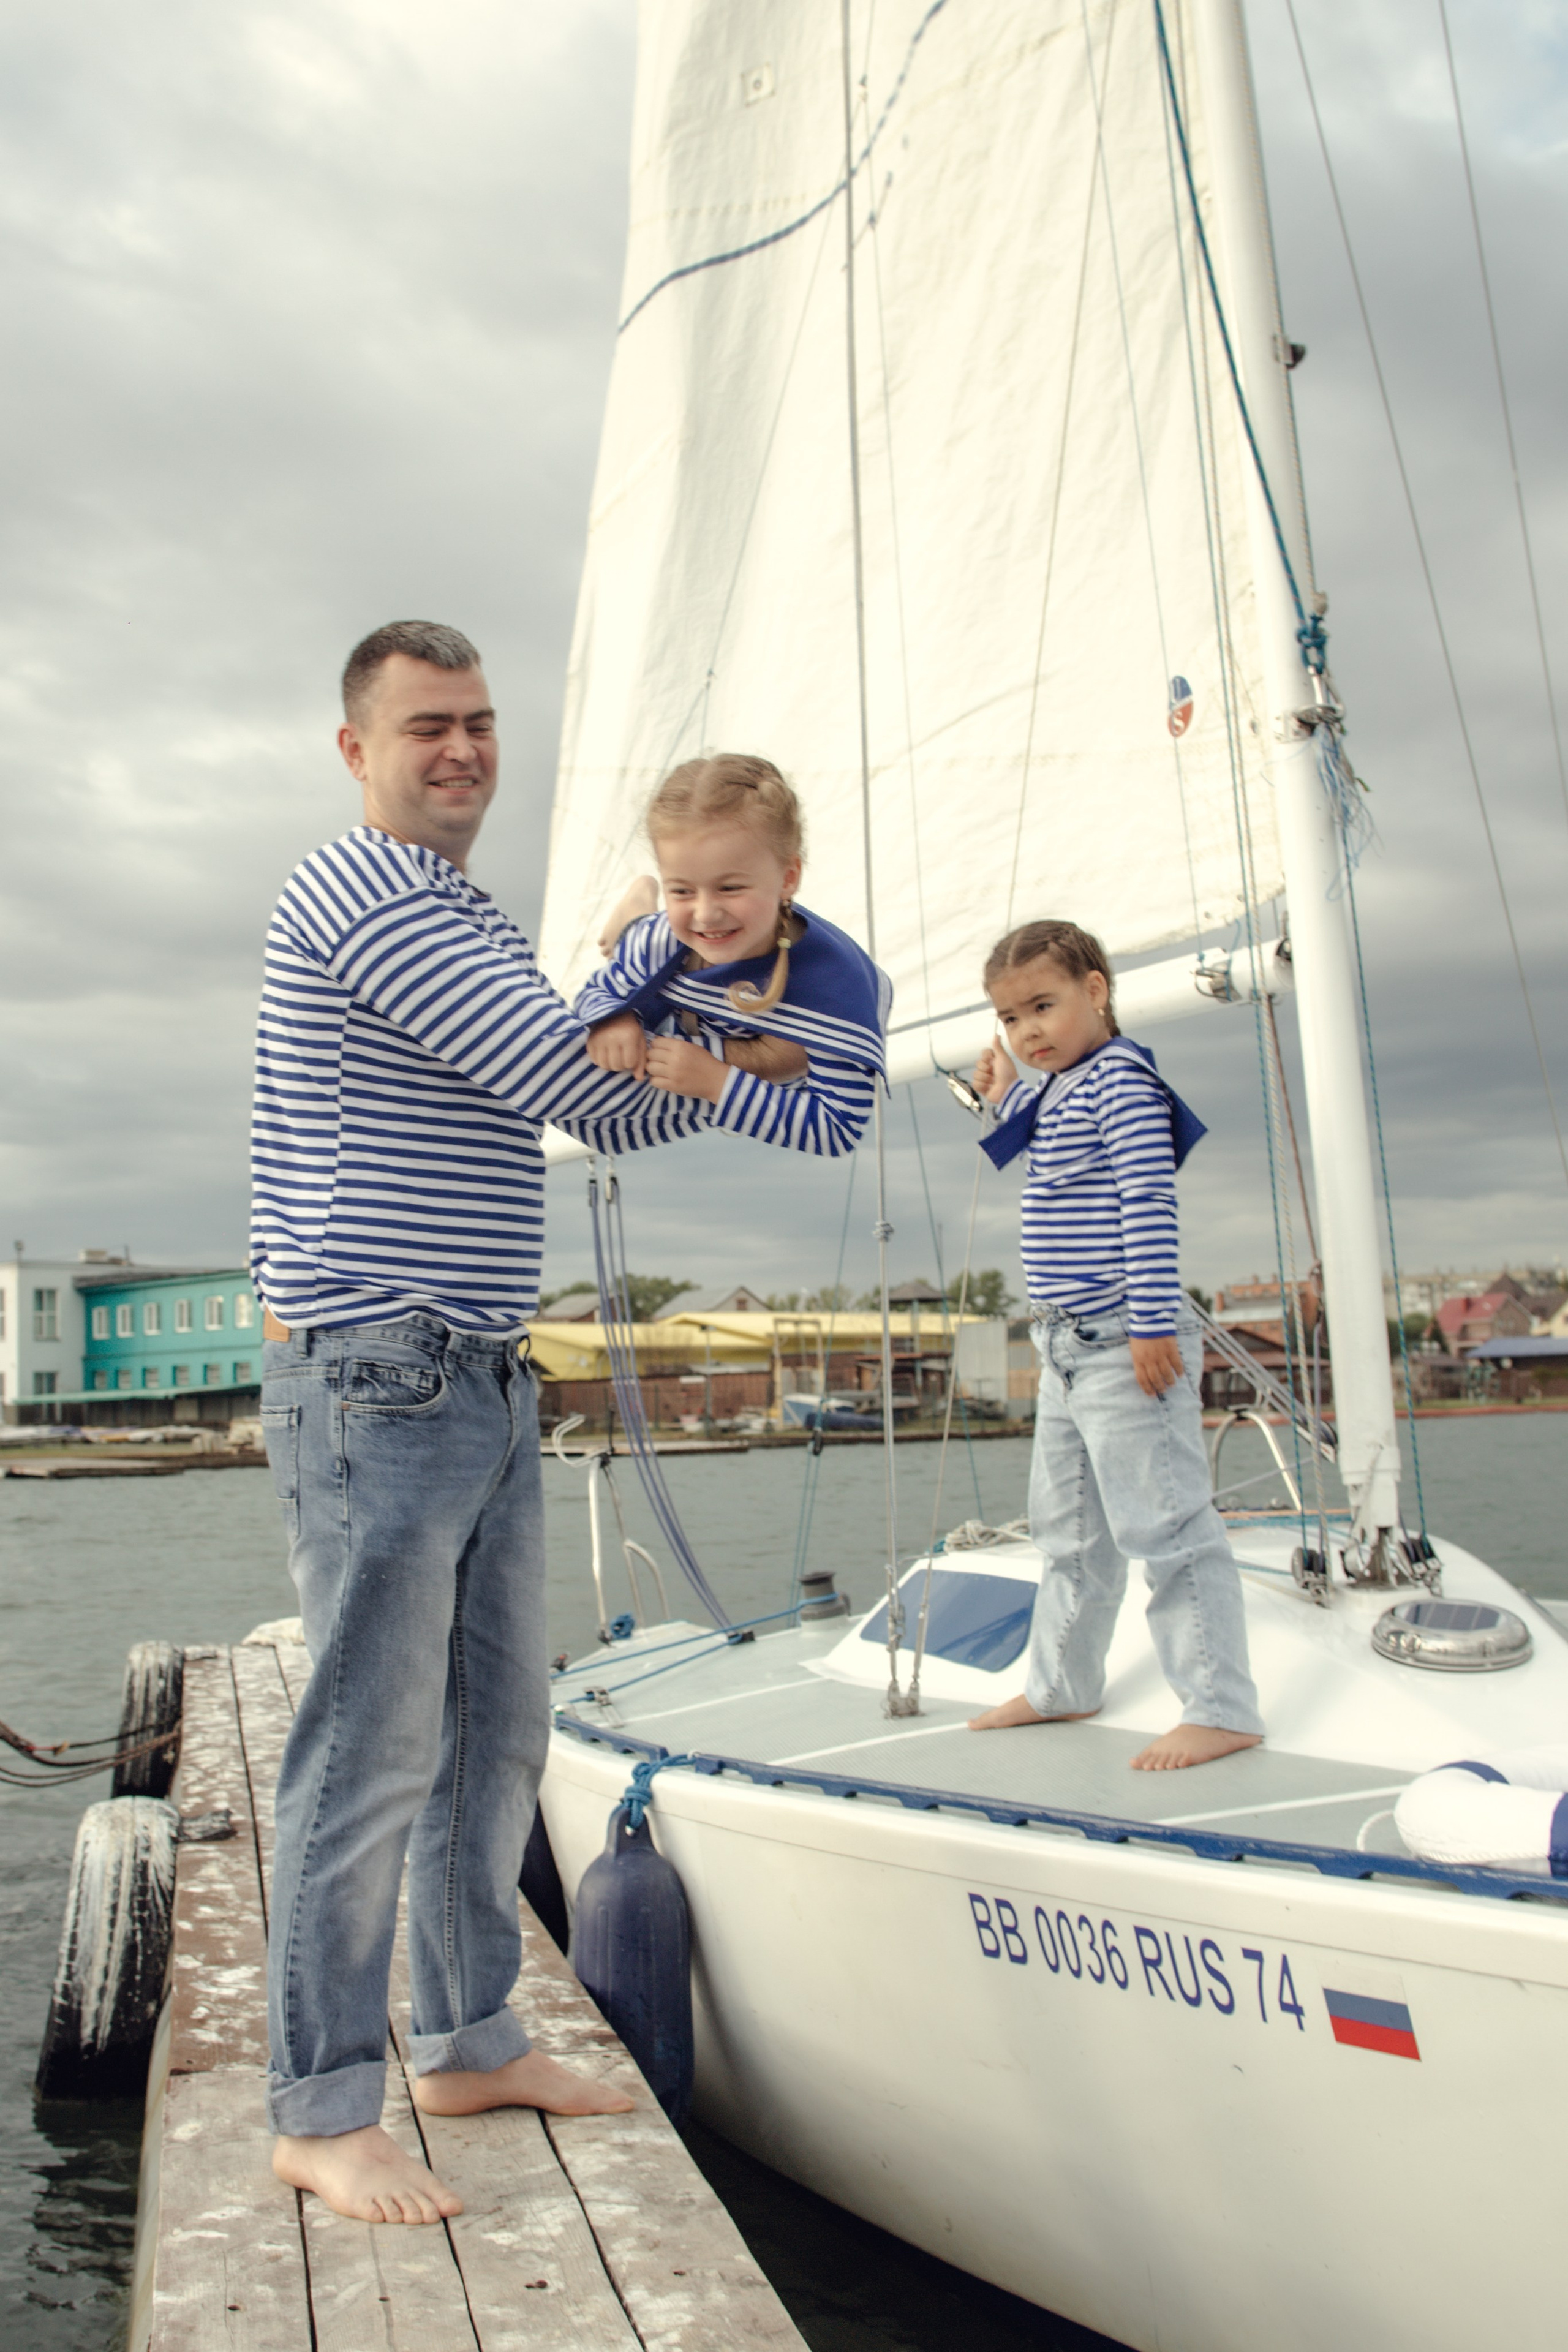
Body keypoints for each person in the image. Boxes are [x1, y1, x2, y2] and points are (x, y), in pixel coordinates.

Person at [252, 621, 719, 2227]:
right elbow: (581, 1081)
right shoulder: (364, 890)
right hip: (385, 1375)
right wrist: (685, 976)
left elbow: (618, 1101)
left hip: (479, 1375)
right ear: (357, 748)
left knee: (495, 1742)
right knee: (366, 1758)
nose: (463, 749)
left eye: (481, 723)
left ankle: (462, 2044)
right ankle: (319, 2109)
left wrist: (683, 1017)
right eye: (428, 724)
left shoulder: (458, 909)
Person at [964, 918, 1264, 1771]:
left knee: (1164, 1529)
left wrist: (1152, 1324)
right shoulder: (1061, 1084)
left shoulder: (1122, 1080)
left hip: (1123, 1335)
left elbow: (1147, 1199)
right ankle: (1061, 1683)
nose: (1029, 1031)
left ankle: (1221, 1706)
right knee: (1069, 1533)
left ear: (1097, 992)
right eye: (1012, 1017)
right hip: (1064, 1346)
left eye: (1045, 1007)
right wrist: (1004, 1092)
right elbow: (1020, 1146)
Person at [575, 753, 888, 1152]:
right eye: (683, 889)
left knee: (676, 931)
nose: (707, 912)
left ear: (788, 878)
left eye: (730, 888)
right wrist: (613, 1020)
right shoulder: (659, 941)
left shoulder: (837, 985)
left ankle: (647, 903)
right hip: (664, 970)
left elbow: (837, 1130)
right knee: (635, 939)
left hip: (732, 1045)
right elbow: (594, 994)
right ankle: (640, 902)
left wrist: (716, 1082)